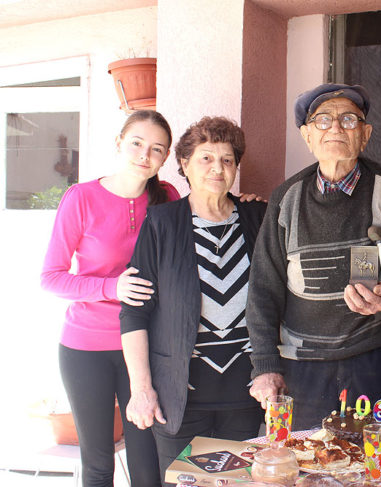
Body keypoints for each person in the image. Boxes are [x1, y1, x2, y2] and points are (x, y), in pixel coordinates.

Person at [246, 83, 381, 429]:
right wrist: (264, 366)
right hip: (304, 367)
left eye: (349, 120)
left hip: (378, 360)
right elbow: (264, 288)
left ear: (365, 135)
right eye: (323, 120)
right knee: (308, 456)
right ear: (307, 136)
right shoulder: (286, 199)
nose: (335, 127)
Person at [119, 117, 267, 485]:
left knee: (237, 483)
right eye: (206, 158)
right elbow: (134, 313)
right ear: (184, 164)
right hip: (181, 397)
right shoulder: (162, 223)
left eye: (227, 160)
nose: (218, 168)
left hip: (244, 394)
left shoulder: (257, 217)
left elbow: (276, 297)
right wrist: (141, 389)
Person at [40, 110, 180, 486]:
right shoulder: (81, 198)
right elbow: (51, 278)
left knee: (147, 465)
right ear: (119, 143)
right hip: (87, 348)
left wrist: (245, 205)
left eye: (156, 149)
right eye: (136, 143)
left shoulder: (167, 197)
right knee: (99, 464)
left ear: (165, 158)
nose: (144, 155)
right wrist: (110, 287)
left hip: (147, 347)